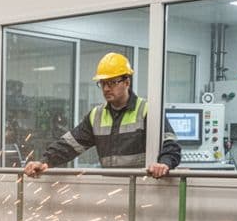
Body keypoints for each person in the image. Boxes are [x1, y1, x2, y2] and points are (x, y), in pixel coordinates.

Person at [23, 53, 182, 179]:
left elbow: (170, 144)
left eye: (112, 82)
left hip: (142, 189)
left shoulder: (147, 110)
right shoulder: (96, 116)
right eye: (103, 83)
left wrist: (164, 163)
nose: (106, 88)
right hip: (110, 188)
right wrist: (44, 162)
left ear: (126, 82)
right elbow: (69, 145)